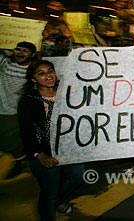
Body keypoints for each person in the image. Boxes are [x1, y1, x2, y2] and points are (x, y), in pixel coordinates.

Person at [17, 60, 85, 220]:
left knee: (78, 177)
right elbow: (26, 132)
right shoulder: (28, 101)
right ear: (33, 79)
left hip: (69, 149)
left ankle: (60, 200)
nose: (48, 76)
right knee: (50, 192)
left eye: (50, 71)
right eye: (41, 74)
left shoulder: (66, 92)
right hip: (45, 153)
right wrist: (39, 155)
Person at [0, 41, 37, 178]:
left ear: (33, 54)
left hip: (13, 112)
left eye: (25, 51)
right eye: (18, 49)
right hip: (2, 109)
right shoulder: (5, 64)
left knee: (9, 141)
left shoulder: (33, 71)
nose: (21, 53)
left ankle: (21, 161)